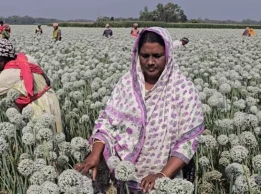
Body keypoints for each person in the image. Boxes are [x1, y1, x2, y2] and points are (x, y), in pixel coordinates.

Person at [74, 27, 204, 193]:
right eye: (145, 56)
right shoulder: (127, 84)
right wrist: (95, 154)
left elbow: (188, 140)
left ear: (168, 55)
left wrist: (162, 175)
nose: (150, 62)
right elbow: (107, 122)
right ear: (137, 54)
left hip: (161, 184)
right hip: (120, 179)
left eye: (157, 56)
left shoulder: (183, 89)